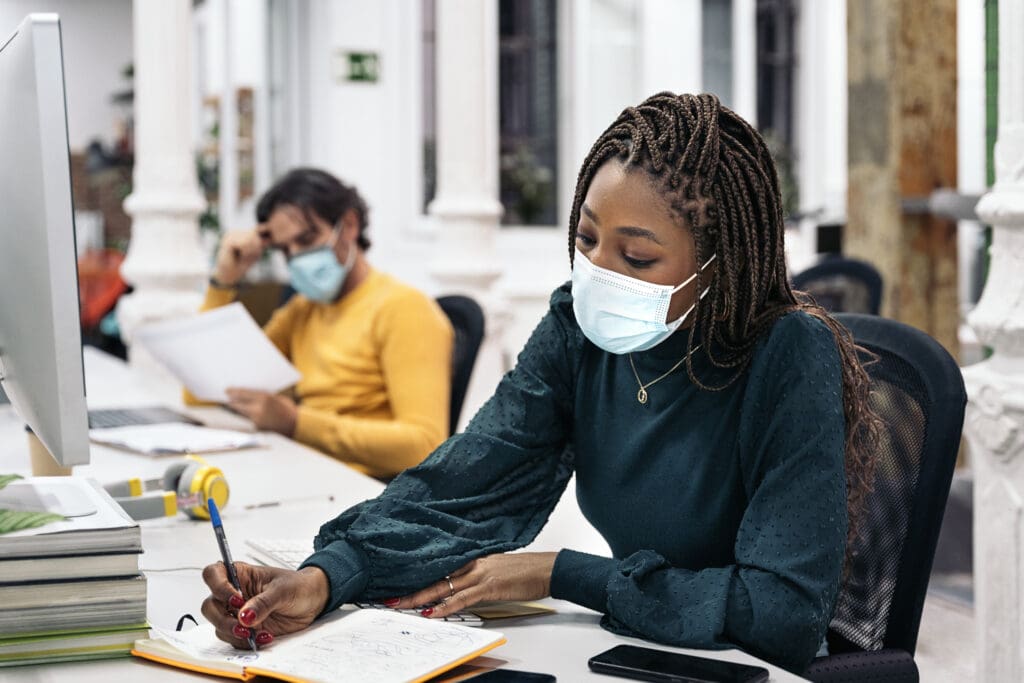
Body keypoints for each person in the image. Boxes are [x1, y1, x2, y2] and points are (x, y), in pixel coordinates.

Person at [200, 94, 879, 673]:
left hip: (745, 669)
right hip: (643, 652)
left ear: (718, 263)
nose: (599, 272)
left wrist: (560, 572)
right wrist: (326, 576)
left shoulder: (789, 354)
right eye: (587, 240)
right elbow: (466, 477)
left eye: (636, 256)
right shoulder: (577, 328)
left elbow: (782, 612)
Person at [189, 168, 454, 479]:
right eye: (285, 249)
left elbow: (425, 445)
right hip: (307, 471)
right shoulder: (302, 310)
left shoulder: (405, 309)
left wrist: (295, 422)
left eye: (306, 239)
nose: (297, 257)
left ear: (349, 225)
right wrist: (224, 280)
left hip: (368, 489)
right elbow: (205, 391)